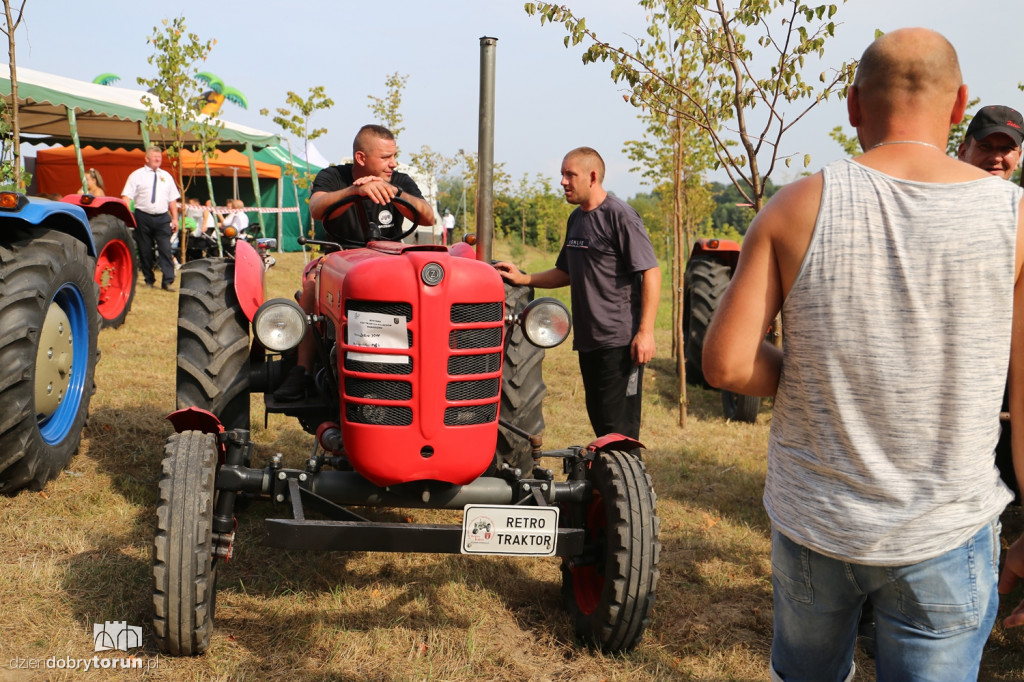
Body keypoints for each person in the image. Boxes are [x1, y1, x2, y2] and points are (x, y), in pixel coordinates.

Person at [701, 28, 1024, 681]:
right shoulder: (1014, 219)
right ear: (960, 103)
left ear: (853, 106)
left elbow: (728, 365)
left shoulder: (796, 205)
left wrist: (811, 374)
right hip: (948, 528)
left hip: (817, 524)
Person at [494, 147, 660, 441]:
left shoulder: (620, 216)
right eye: (562, 174)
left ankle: (626, 483)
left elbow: (650, 272)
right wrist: (524, 277)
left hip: (620, 342)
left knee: (619, 429)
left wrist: (645, 333)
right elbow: (566, 272)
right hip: (588, 341)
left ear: (592, 177)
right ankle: (605, 482)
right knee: (600, 420)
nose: (563, 181)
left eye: (570, 174)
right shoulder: (577, 220)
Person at [273, 124, 435, 402]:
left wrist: (394, 192)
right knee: (313, 283)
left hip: (390, 260)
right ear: (361, 158)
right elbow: (316, 208)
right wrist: (354, 192)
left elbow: (427, 216)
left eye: (394, 156)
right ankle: (302, 369)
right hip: (339, 256)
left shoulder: (400, 180)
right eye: (385, 158)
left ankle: (421, 366)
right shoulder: (334, 176)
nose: (392, 163)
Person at [121, 146, 180, 290]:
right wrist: (126, 214)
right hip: (143, 217)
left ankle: (167, 281)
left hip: (162, 218)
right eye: (155, 157)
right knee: (145, 250)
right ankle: (149, 279)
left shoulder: (166, 176)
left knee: (165, 249)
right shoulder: (136, 175)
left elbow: (172, 200)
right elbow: (126, 196)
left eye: (159, 157)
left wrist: (175, 219)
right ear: (146, 158)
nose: (158, 159)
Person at [957, 104, 1023, 180]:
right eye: (985, 147)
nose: (996, 158)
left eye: (1006, 149)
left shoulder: (1018, 192)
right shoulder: (942, 191)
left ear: (1018, 157)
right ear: (963, 153)